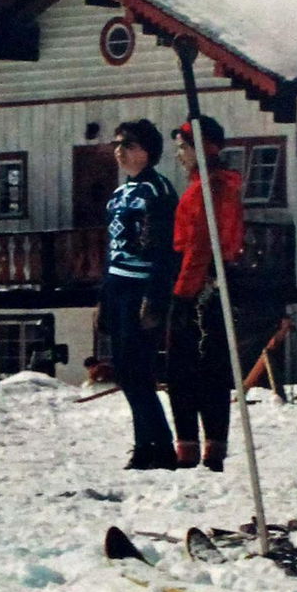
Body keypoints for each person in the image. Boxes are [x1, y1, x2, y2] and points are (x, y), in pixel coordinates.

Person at [166, 114, 245, 471]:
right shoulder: (221, 185)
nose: (180, 155)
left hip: (199, 282)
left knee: (185, 368)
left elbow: (199, 244)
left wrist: (182, 295)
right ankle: (213, 443)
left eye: (184, 148)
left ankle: (189, 446)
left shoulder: (207, 189)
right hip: (218, 278)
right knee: (212, 367)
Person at [101, 119, 179, 470]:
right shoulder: (119, 194)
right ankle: (144, 442)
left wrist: (156, 297)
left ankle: (159, 445)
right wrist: (103, 298)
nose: (121, 151)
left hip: (142, 287)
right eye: (117, 144)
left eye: (129, 145)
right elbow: (112, 249)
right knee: (124, 370)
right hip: (117, 286)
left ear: (148, 151)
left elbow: (165, 250)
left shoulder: (159, 191)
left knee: (139, 369)